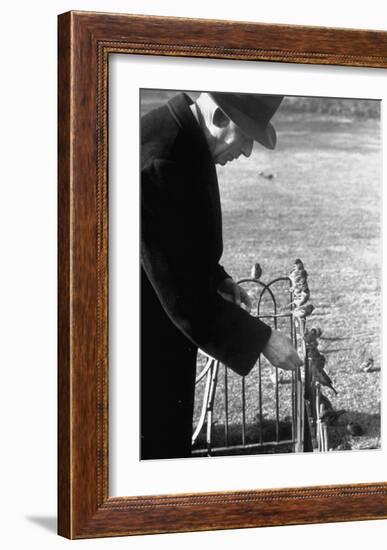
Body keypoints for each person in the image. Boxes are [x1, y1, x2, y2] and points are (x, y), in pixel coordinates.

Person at [140, 91, 303, 459]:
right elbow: (178, 293)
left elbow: (176, 242)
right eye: (246, 137)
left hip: (159, 336)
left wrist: (216, 278)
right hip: (138, 353)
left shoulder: (186, 141)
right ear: (217, 118)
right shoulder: (159, 158)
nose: (246, 152)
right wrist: (263, 339)